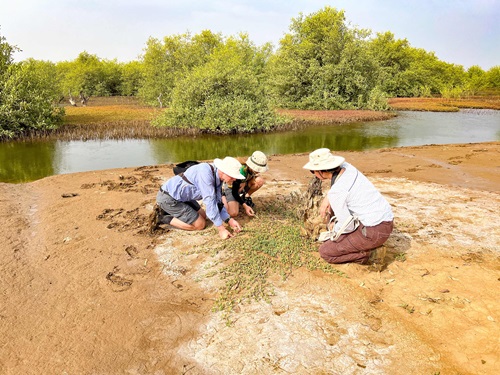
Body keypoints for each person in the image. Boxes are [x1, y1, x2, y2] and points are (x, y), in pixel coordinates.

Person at [303, 148, 394, 264]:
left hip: (374, 232)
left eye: (313, 171)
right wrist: (328, 198)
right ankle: (363, 244)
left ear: (322, 171)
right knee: (335, 214)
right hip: (386, 221)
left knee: (326, 251)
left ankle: (370, 254)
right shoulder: (348, 167)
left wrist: (333, 227)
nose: (314, 174)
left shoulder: (337, 193)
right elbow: (340, 187)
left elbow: (348, 226)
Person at [152, 156, 245, 239]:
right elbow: (210, 202)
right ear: (224, 171)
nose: (234, 179)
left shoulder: (218, 176)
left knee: (203, 216)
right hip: (169, 198)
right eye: (233, 176)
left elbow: (218, 202)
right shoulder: (206, 174)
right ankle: (162, 217)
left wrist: (229, 220)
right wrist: (221, 229)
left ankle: (171, 211)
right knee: (200, 224)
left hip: (183, 197)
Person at [222, 151, 269, 217]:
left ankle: (245, 197)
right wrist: (245, 206)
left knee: (259, 180)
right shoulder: (241, 171)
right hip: (231, 189)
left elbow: (251, 178)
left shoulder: (251, 171)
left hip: (239, 188)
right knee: (233, 213)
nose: (258, 171)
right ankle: (224, 198)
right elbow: (234, 192)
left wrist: (244, 182)